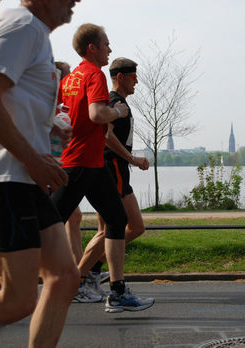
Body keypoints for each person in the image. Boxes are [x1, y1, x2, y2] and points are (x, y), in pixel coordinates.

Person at [0, 1, 81, 345]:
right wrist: (35, 159)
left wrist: (47, 127)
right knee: (16, 301)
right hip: (8, 177)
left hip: (22, 177)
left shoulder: (19, 27)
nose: (76, 1)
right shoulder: (24, 27)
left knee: (64, 277)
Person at [0, 60, 84, 296]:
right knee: (25, 230)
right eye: (64, 78)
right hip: (19, 173)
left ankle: (72, 277)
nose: (66, 84)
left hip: (37, 170)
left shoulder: (53, 102)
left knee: (65, 221)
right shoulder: (41, 95)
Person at [51, 23, 154, 312]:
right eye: (106, 44)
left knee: (116, 220)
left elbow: (56, 111)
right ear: (92, 48)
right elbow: (98, 116)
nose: (110, 48)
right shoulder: (93, 74)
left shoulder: (71, 78)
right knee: (48, 221)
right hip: (82, 161)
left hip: (92, 163)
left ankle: (116, 291)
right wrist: (117, 112)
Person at [74, 57, 151, 299]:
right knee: (117, 227)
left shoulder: (118, 103)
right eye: (133, 76)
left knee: (124, 227)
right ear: (120, 77)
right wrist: (132, 158)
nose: (137, 80)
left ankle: (91, 273)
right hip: (111, 168)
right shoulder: (113, 102)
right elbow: (106, 136)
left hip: (115, 169)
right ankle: (77, 279)